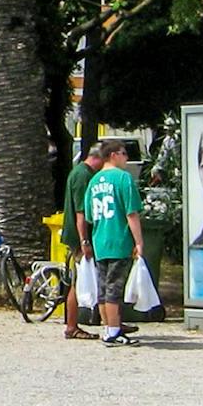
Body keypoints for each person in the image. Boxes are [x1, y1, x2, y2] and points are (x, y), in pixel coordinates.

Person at [80, 139, 145, 348]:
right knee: (114, 289)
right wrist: (139, 242)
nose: (127, 158)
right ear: (114, 155)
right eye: (124, 153)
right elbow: (131, 213)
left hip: (100, 240)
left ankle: (107, 327)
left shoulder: (94, 181)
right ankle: (114, 331)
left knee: (103, 288)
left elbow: (89, 215)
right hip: (119, 240)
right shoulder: (123, 179)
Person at [61, 142, 103, 341]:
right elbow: (81, 212)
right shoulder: (83, 176)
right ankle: (71, 326)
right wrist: (84, 240)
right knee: (78, 281)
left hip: (78, 236)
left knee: (80, 280)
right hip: (79, 237)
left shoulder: (79, 172)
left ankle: (111, 320)